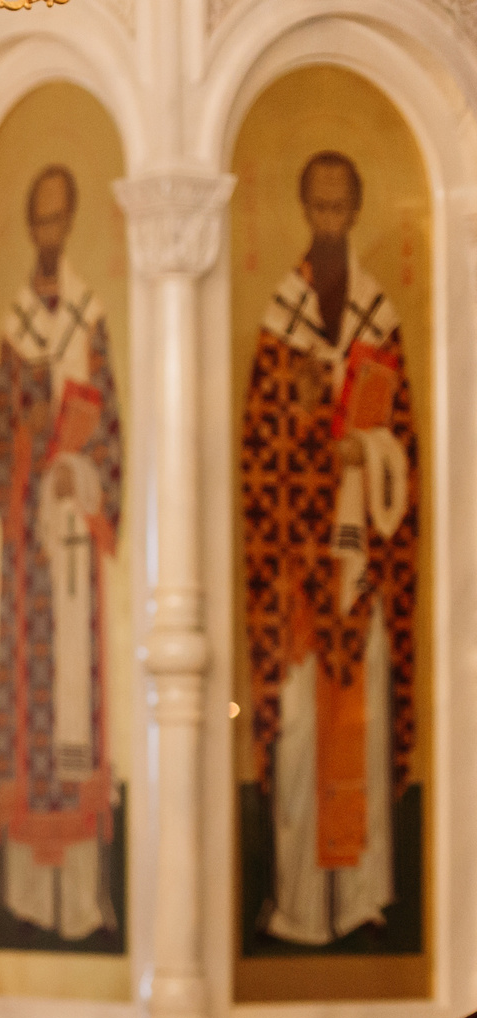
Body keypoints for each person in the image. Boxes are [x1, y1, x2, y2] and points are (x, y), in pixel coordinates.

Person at [241, 149, 418, 946]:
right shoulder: (282, 323)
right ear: (305, 214)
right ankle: (303, 904)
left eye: (343, 209)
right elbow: (257, 447)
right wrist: (323, 439)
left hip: (364, 566)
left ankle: (363, 898)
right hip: (302, 569)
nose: (331, 223)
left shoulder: (381, 321)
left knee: (365, 726)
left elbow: (406, 443)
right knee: (306, 736)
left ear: (356, 212)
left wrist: (372, 453)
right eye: (319, 209)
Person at [0, 162, 123, 942]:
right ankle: (34, 901)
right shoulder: (12, 330)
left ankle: (82, 898)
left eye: (57, 221)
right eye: (35, 222)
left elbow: (113, 435)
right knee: (32, 712)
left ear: (70, 225)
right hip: (28, 563)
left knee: (79, 712)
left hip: (78, 558)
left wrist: (79, 468)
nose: (46, 235)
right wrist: (31, 443)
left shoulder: (90, 321)